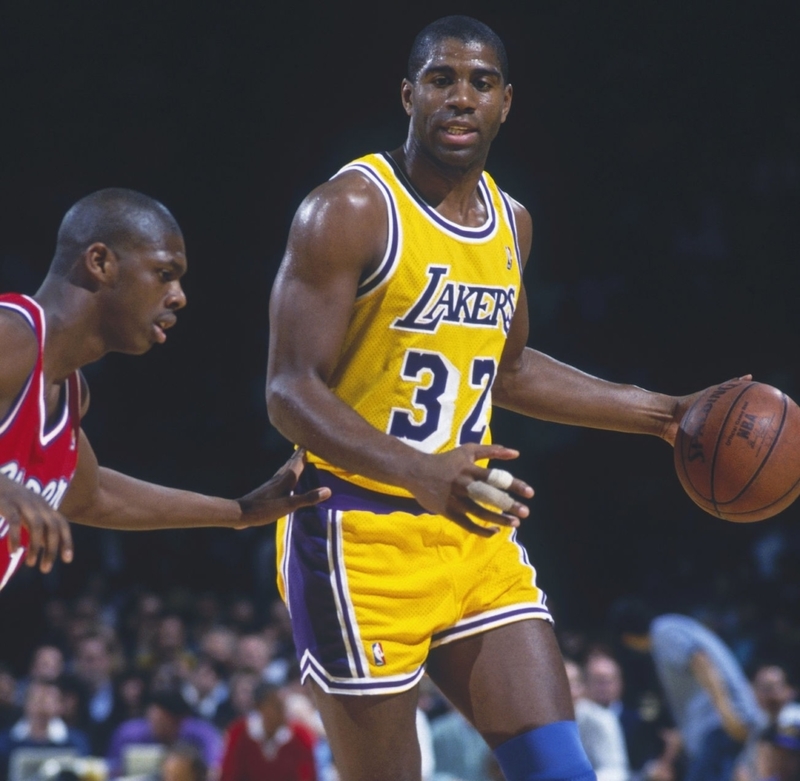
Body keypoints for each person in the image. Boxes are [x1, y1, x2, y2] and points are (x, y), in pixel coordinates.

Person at [265, 15, 735, 781]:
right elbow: (289, 391)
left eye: (480, 83)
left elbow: (508, 369)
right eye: (443, 80)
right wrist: (418, 470)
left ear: (506, 102)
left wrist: (665, 412)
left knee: (562, 772)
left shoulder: (510, 223)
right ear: (409, 93)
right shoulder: (350, 209)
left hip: (471, 530)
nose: (461, 98)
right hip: (354, 537)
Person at [0, 187, 330, 592]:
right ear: (100, 262)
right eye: (164, 274)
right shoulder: (13, 337)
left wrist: (239, 512)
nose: (179, 297)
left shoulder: (70, 393)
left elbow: (93, 495)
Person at [612, 603, 766, 781]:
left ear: (628, 639)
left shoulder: (664, 632)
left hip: (719, 725)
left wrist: (727, 714)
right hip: (715, 728)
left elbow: (700, 660)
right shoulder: (670, 628)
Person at [106, 687, 221, 778]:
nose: (153, 723)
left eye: (160, 720)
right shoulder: (128, 734)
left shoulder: (202, 734)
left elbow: (215, 770)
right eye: (151, 717)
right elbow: (111, 770)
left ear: (178, 720)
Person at [219, 681, 316, 781]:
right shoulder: (238, 733)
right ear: (259, 707)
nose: (283, 711)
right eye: (276, 706)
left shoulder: (301, 736)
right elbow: (229, 775)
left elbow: (307, 776)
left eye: (284, 706)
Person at [564, 659, 630, 781]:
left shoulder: (601, 719)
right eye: (563, 686)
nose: (569, 692)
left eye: (574, 684)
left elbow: (615, 771)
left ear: (583, 687)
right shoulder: (542, 725)